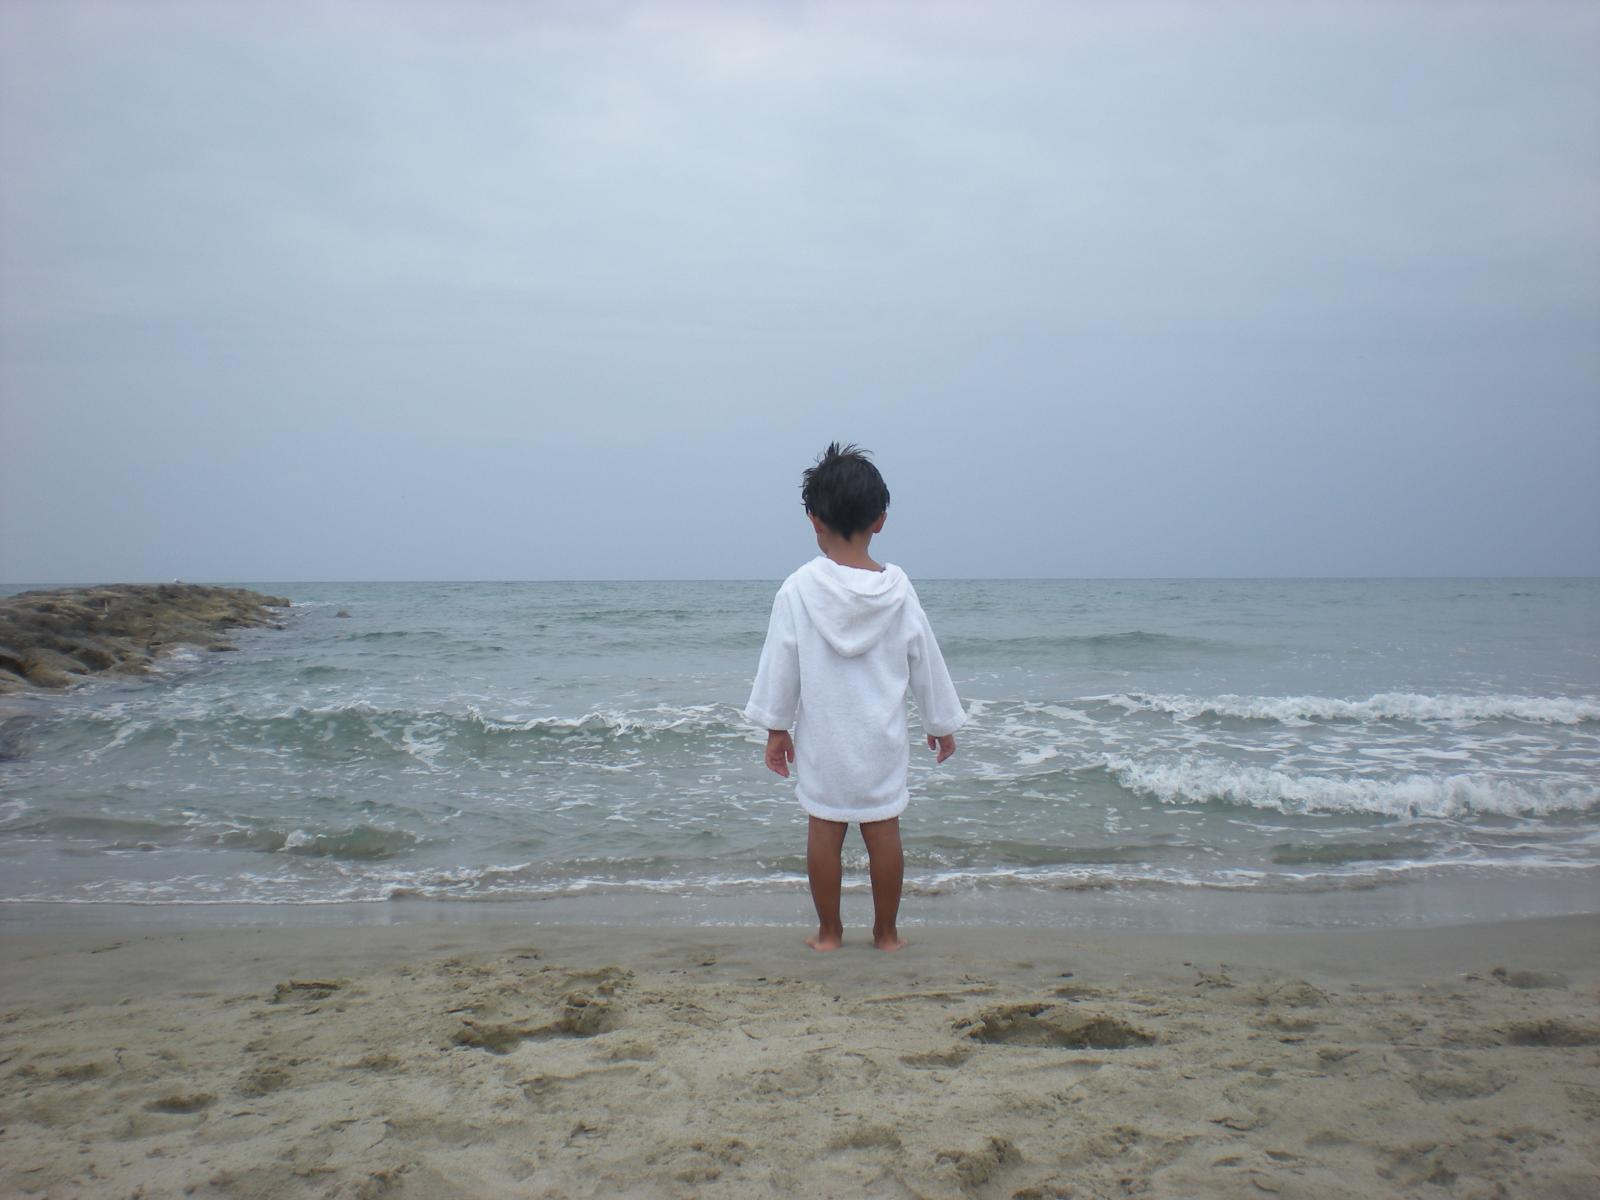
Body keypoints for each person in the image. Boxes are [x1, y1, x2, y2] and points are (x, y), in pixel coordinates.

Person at [744, 442, 965, 952]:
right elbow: (925, 660)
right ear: (881, 520)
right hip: (881, 738)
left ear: (814, 520)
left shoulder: (798, 590)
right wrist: (940, 722)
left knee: (825, 829)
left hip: (825, 737)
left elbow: (781, 664)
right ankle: (887, 935)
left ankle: (829, 934)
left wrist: (776, 727)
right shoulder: (898, 591)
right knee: (882, 828)